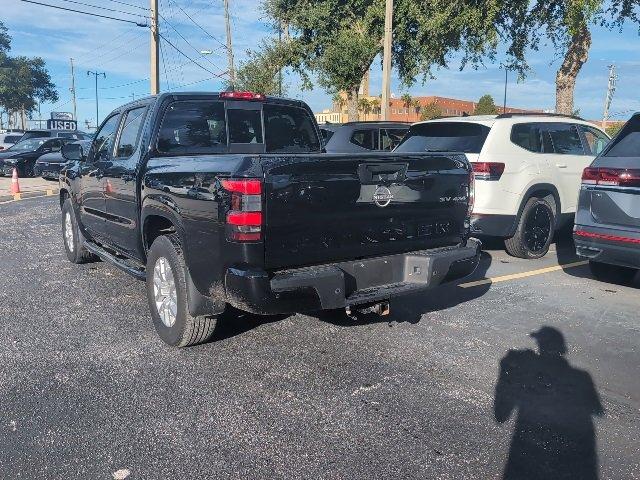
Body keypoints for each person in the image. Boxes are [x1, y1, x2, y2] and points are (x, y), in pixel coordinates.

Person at [494, 326, 604, 480]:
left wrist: (506, 371)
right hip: (568, 465)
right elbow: (597, 410)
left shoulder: (527, 374)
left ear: (541, 346)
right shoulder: (582, 378)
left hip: (525, 463)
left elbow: (501, 414)